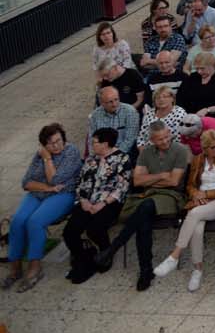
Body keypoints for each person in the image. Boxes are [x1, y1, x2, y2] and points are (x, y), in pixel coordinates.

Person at [94, 123, 192, 291]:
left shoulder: (180, 150)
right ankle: (145, 270)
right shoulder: (146, 152)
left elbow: (174, 181)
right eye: (160, 139)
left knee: (145, 208)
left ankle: (114, 248)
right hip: (148, 195)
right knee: (143, 219)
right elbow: (137, 181)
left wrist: (150, 178)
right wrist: (161, 175)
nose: (165, 141)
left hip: (172, 196)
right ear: (151, 140)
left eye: (166, 136)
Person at [152, 128, 215, 290]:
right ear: (205, 148)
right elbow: (190, 185)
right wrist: (197, 195)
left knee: (194, 213)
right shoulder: (198, 160)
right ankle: (197, 270)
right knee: (197, 229)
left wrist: (206, 193)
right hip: (200, 200)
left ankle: (174, 255)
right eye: (214, 147)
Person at [5, 123, 82, 291]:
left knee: (35, 222)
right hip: (40, 193)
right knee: (17, 221)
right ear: (43, 145)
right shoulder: (39, 154)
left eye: (59, 140)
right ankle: (15, 265)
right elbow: (26, 183)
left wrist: (47, 159)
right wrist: (47, 187)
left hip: (63, 195)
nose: (56, 145)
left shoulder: (71, 152)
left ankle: (35, 267)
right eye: (51, 143)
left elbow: (55, 179)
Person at [60, 127, 132, 285]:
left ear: (105, 144)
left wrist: (103, 203)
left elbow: (122, 187)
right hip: (87, 202)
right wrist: (84, 201)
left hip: (109, 203)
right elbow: (80, 182)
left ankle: (105, 253)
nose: (91, 145)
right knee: (69, 232)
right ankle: (84, 258)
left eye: (94, 142)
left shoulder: (122, 159)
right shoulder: (91, 159)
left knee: (95, 229)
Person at [89, 85, 140, 155]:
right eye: (110, 102)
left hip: (124, 153)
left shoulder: (130, 111)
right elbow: (91, 140)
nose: (114, 104)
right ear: (102, 103)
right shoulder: (95, 115)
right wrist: (94, 156)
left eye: (116, 99)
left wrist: (113, 155)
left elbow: (130, 139)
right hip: (101, 154)